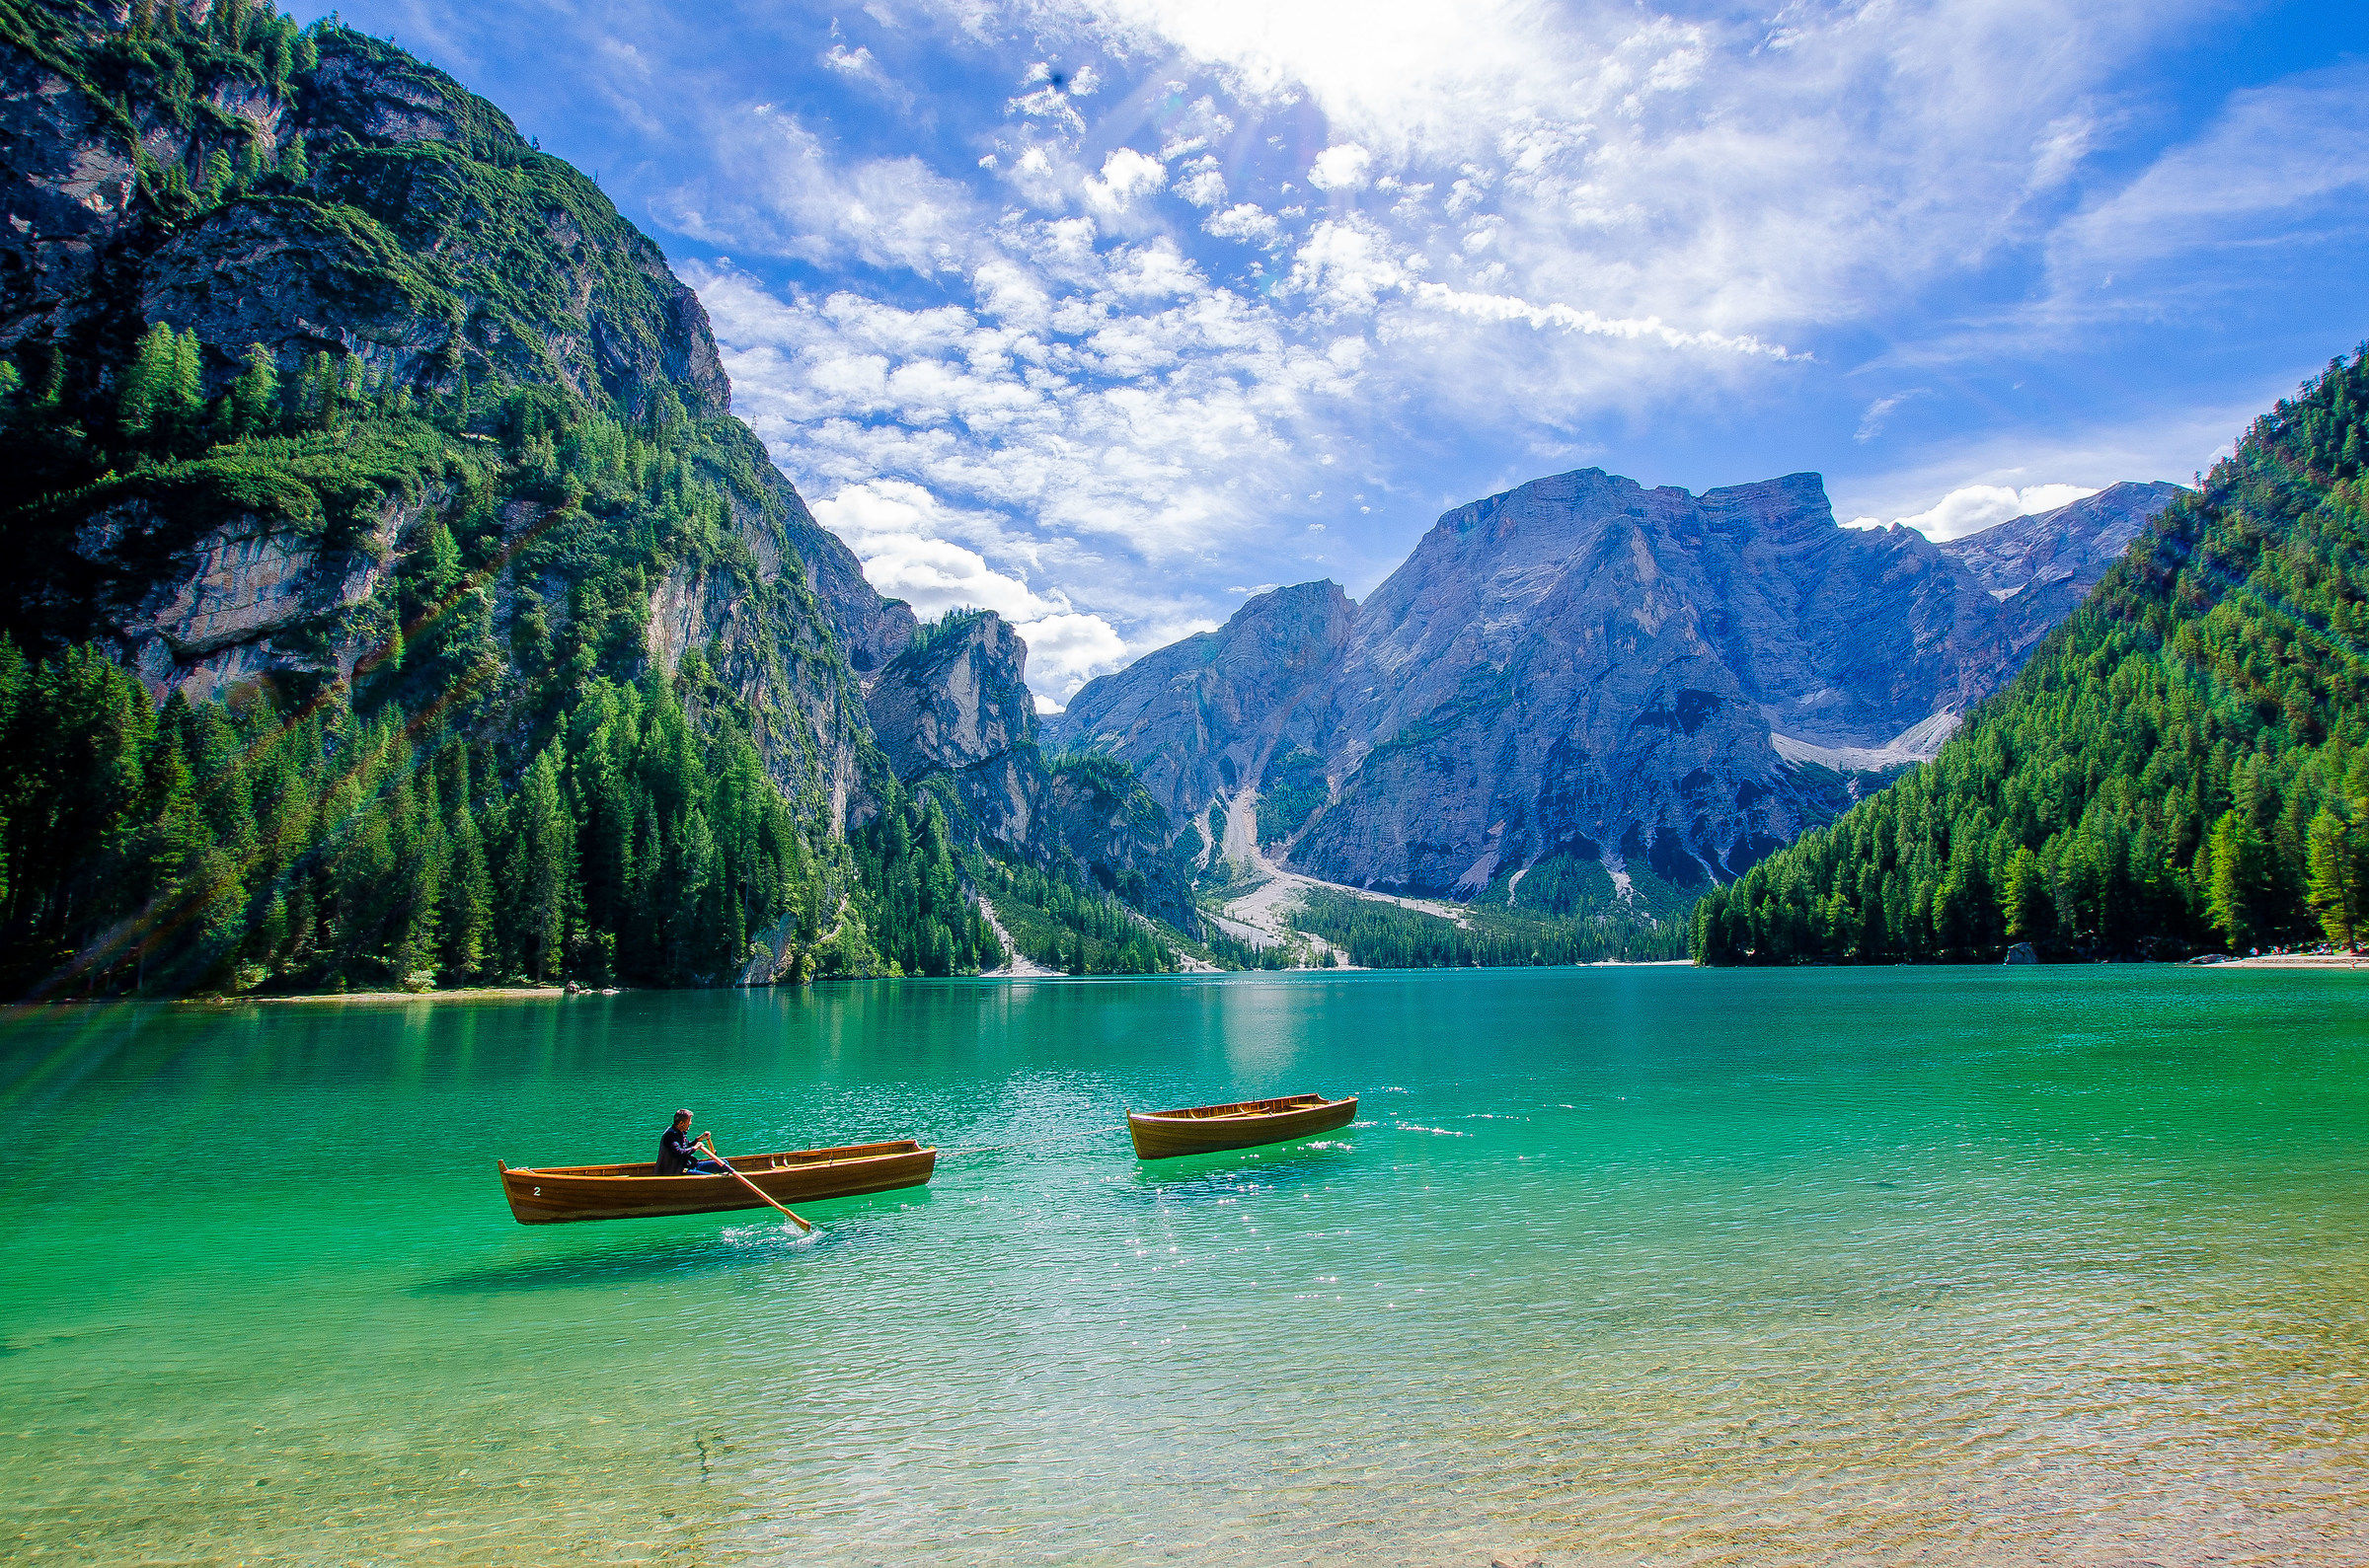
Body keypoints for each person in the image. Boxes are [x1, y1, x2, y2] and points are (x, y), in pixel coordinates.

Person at [657, 1109, 733, 1177]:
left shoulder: (680, 1132)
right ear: (681, 1123)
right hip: (682, 1171)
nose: (690, 1123)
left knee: (724, 1162)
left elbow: (686, 1146)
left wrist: (700, 1138)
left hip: (692, 1165)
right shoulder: (671, 1136)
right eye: (689, 1121)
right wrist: (695, 1148)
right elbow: (679, 1152)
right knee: (716, 1178)